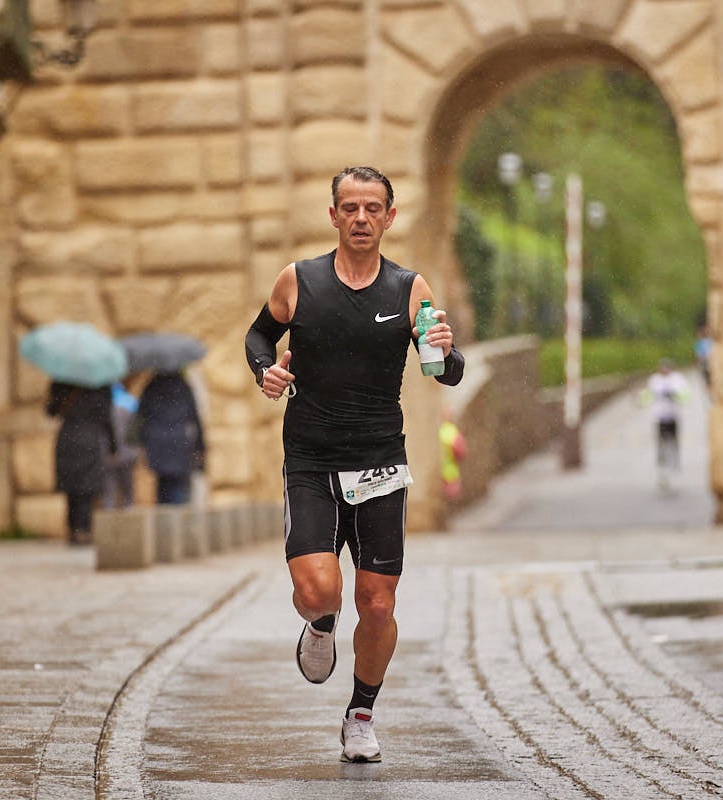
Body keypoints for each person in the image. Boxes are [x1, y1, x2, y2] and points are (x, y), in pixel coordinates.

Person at [243, 166, 464, 763]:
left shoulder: (408, 290)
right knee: (319, 592)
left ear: (390, 218)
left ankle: (361, 713)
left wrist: (443, 349)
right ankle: (318, 626)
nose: (362, 218)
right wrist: (267, 371)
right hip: (311, 458)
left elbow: (445, 371)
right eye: (351, 208)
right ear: (334, 215)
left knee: (378, 604)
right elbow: (258, 338)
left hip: (378, 462)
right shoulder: (300, 281)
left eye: (373, 208)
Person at [46, 381, 115, 545]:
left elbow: (50, 411)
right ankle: (83, 529)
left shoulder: (61, 382)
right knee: (87, 488)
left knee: (72, 488)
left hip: (67, 437)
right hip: (90, 439)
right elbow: (106, 417)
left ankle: (73, 528)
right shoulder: (101, 384)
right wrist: (113, 445)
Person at [137, 371, 205, 505]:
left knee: (163, 484)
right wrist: (200, 446)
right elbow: (194, 415)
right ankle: (177, 516)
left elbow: (142, 415)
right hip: (179, 440)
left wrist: (142, 441)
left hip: (157, 441)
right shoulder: (183, 385)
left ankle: (164, 516)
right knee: (179, 483)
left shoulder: (152, 385)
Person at [641, 358, 691, 490]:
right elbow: (646, 396)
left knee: (674, 442)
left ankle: (674, 462)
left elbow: (686, 396)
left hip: (673, 416)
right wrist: (641, 400)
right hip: (659, 417)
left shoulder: (678, 379)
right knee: (661, 444)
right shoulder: (654, 380)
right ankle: (663, 471)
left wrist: (674, 395)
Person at [103, 382, 140, 510]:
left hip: (109, 454)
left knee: (109, 488)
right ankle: (128, 511)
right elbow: (137, 430)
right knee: (128, 488)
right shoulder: (132, 403)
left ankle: (108, 514)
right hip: (128, 454)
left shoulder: (102, 405)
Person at [438, 407, 467, 502]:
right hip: (450, 471)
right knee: (453, 501)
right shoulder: (452, 431)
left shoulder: (439, 430)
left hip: (439, 471)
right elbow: (460, 451)